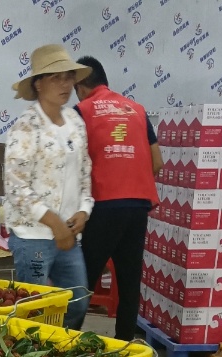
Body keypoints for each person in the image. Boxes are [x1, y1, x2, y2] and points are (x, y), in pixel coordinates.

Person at [3, 45, 94, 329]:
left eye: (68, 77)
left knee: (78, 302)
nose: (65, 85)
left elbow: (85, 171)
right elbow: (16, 187)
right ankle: (32, 355)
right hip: (34, 237)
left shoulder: (75, 122)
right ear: (38, 84)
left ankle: (62, 349)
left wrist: (84, 210)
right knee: (34, 311)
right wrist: (54, 223)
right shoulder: (26, 127)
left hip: (69, 234)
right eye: (56, 78)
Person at [74, 55, 163, 341]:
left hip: (104, 204)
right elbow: (157, 162)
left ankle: (68, 340)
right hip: (138, 204)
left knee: (85, 278)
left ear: (80, 87)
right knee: (129, 279)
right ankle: (124, 345)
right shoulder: (137, 109)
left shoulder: (82, 110)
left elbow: (73, 164)